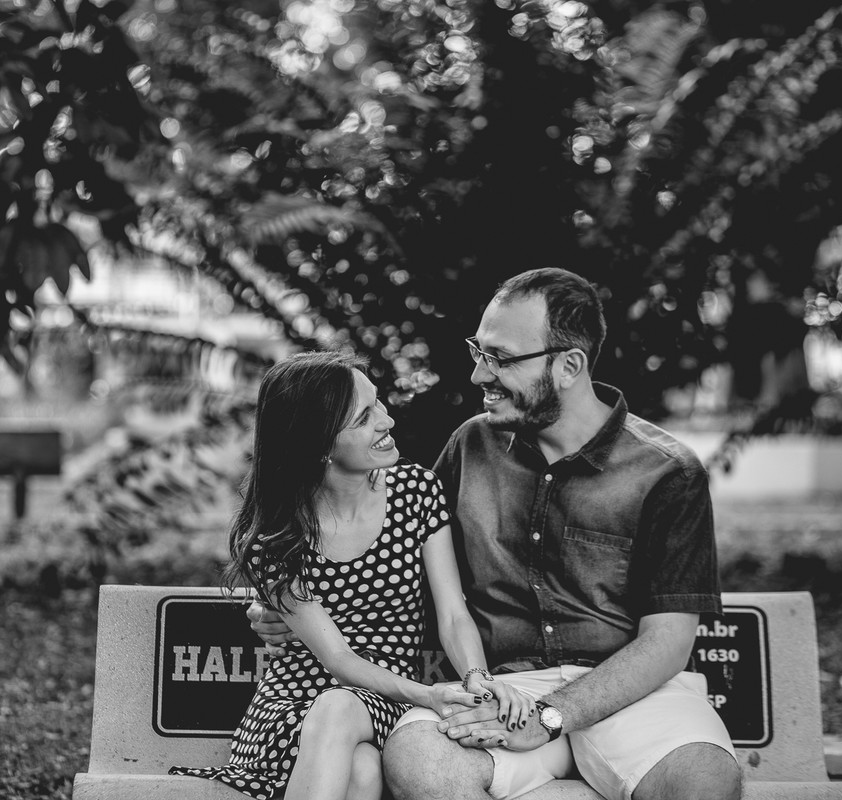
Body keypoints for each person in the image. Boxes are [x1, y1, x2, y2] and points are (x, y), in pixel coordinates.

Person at [250, 269, 743, 800]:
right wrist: (285, 604)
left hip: (630, 691)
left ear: (568, 366)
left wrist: (552, 715)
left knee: (703, 780)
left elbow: (668, 642)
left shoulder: (667, 472)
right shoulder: (471, 447)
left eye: (501, 358)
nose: (477, 374)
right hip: (499, 690)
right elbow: (390, 542)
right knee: (419, 759)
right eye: (478, 351)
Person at [170, 351, 533, 800]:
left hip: (386, 699)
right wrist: (429, 696)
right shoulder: (277, 536)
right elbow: (337, 659)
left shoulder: (417, 492)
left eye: (377, 402)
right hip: (293, 707)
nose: (386, 421)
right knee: (360, 767)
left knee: (348, 727)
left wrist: (476, 676)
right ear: (319, 445)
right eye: (364, 418)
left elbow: (453, 612)